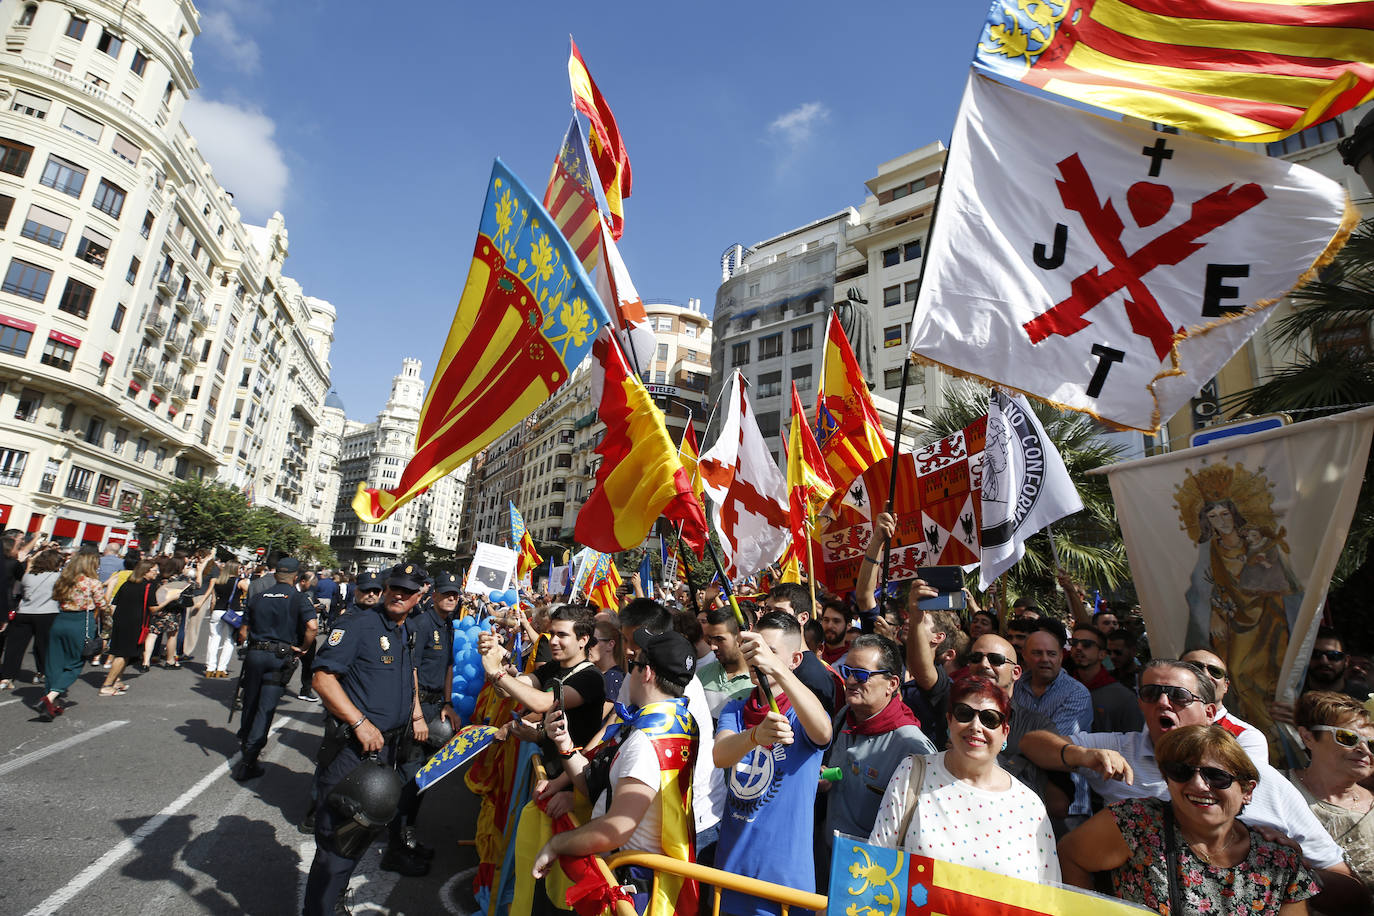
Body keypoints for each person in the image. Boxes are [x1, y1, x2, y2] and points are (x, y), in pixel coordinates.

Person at [1021, 658, 1368, 912]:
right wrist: (1083, 755)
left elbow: (1352, 892)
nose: (1199, 786)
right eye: (1151, 692)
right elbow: (1032, 743)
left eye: (1178, 695)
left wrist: (1290, 870)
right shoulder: (1134, 814)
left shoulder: (1266, 783)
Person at [1059, 724, 1317, 915]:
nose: (1198, 785)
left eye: (1216, 776)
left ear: (1247, 791)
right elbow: (1069, 855)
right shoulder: (1136, 823)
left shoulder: (1279, 862)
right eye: (1181, 772)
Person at [532, 628, 702, 914]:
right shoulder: (681, 720)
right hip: (655, 876)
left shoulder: (645, 739)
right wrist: (564, 744)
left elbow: (617, 829)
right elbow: (594, 786)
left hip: (633, 887)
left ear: (646, 673)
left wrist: (557, 843)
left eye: (633, 665)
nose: (629, 671)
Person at [303, 563, 426, 916]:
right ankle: (321, 910)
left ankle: (333, 902)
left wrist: (415, 714)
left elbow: (408, 677)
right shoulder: (358, 624)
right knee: (336, 840)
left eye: (406, 591)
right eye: (393, 588)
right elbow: (323, 679)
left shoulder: (406, 631)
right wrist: (359, 722)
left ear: (419, 597)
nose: (397, 595)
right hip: (352, 750)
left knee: (358, 836)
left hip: (386, 750)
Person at [870, 676, 1060, 883]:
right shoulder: (913, 773)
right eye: (964, 714)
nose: (976, 726)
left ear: (1005, 732)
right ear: (950, 721)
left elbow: (1047, 896)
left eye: (990, 719)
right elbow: (877, 860)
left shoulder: (1029, 805)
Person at [714, 612, 832, 915]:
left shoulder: (802, 709)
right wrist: (754, 735)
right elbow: (721, 755)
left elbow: (823, 731)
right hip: (731, 874)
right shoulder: (736, 708)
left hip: (785, 883)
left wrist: (777, 670)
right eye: (754, 650)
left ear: (794, 659)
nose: (758, 659)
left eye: (770, 651)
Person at [824, 634, 935, 847]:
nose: (850, 681)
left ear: (892, 684)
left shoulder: (911, 745)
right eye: (847, 672)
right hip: (827, 859)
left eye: (861, 675)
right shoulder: (845, 717)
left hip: (872, 870)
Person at [386, 571, 463, 874]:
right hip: (415, 710)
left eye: (455, 595)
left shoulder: (448, 626)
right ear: (434, 596)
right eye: (446, 594)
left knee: (422, 778)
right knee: (408, 777)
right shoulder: (419, 624)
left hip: (435, 706)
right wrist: (417, 714)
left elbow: (446, 668)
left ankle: (407, 836)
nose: (451, 599)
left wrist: (448, 703)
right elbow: (411, 671)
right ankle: (394, 848)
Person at [232, 556, 318, 781]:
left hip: (255, 654)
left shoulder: (258, 596)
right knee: (266, 707)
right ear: (295, 576)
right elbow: (312, 626)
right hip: (279, 656)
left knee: (250, 701)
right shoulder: (298, 598)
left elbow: (242, 632)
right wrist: (303, 648)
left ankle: (246, 740)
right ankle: (250, 758)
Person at [479, 604, 604, 751]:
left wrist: (498, 673)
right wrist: (495, 660)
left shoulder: (591, 677)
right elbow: (504, 691)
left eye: (562, 635)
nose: (553, 641)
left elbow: (541, 703)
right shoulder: (554, 666)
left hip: (570, 770)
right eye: (552, 633)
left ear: (583, 640)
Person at [1289, 691, 1374, 900]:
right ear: (1307, 737)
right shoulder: (1279, 789)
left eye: (1372, 744)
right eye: (1348, 737)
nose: (1364, 750)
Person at [36, 548, 111, 719]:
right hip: (81, 623)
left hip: (60, 619)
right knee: (76, 662)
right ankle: (50, 697)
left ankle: (51, 702)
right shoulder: (93, 583)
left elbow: (55, 597)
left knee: (54, 662)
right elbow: (102, 605)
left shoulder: (64, 579)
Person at [760, 582, 842, 716]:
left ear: (802, 618)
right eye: (768, 610)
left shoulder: (814, 675)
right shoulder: (768, 659)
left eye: (780, 612)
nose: (771, 617)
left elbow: (819, 731)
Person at [1182, 647, 1268, 760]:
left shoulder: (1245, 736)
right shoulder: (1157, 720)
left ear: (1226, 686)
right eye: (1195, 667)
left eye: (1215, 672)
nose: (1206, 675)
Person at [1014, 622, 1092, 737]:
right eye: (1037, 653)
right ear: (1024, 655)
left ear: (1060, 656)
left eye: (1051, 654)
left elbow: (1052, 743)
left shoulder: (1077, 694)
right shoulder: (1015, 686)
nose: (1045, 659)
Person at [100, 558, 164, 695]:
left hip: (121, 620)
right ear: (146, 571)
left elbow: (114, 604)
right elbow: (153, 608)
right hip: (136, 623)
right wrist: (170, 598)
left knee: (125, 653)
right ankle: (107, 685)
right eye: (154, 570)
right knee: (122, 655)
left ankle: (117, 680)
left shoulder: (127, 584)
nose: (156, 573)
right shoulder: (149, 586)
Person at [0, 548, 61, 689]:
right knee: (43, 645)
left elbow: (21, 591)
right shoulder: (57, 577)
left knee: (15, 646)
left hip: (24, 612)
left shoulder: (28, 576)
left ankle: (7, 676)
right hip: (47, 613)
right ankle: (42, 672)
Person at [1070, 625, 1143, 733]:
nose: (1079, 648)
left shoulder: (1123, 697)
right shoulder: (1062, 688)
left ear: (1102, 654)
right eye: (1074, 643)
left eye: (1087, 644)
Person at [696, 605, 754, 724]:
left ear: (741, 635)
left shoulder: (761, 681)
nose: (713, 646)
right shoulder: (701, 674)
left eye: (719, 639)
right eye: (711, 639)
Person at [205, 561, 247, 679]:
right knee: (229, 640)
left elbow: (214, 599)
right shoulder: (239, 582)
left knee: (213, 638)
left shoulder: (218, 581)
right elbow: (251, 592)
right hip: (233, 611)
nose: (241, 571)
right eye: (240, 569)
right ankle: (221, 668)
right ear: (234, 569)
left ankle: (210, 667)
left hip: (218, 610)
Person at [589, 612, 624, 719]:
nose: (588, 646)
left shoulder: (613, 677)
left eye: (593, 641)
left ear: (610, 644)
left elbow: (595, 719)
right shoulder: (600, 674)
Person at [817, 600, 849, 665]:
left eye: (836, 621)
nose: (829, 626)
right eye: (826, 620)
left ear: (848, 626)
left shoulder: (854, 658)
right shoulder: (813, 652)